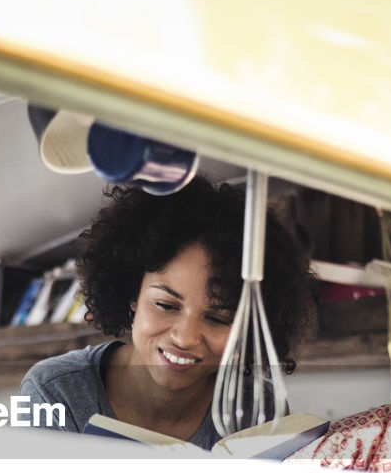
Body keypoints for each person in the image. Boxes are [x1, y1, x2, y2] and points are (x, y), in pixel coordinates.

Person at [19, 178, 315, 448]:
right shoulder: (56, 391)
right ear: (132, 295)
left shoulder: (255, 407)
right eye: (166, 305)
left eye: (217, 318)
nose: (185, 337)